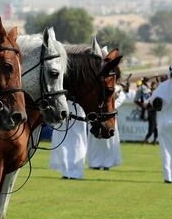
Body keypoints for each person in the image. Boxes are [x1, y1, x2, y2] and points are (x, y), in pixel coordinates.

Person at [51, 37, 103, 180]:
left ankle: (74, 171)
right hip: (68, 106)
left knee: (77, 140)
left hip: (76, 108)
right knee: (68, 139)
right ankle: (67, 170)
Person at [87, 79, 126, 170]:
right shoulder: (95, 87)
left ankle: (107, 164)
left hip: (109, 117)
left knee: (109, 142)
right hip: (96, 116)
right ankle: (94, 163)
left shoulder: (117, 90)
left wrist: (109, 108)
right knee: (95, 142)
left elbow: (120, 100)